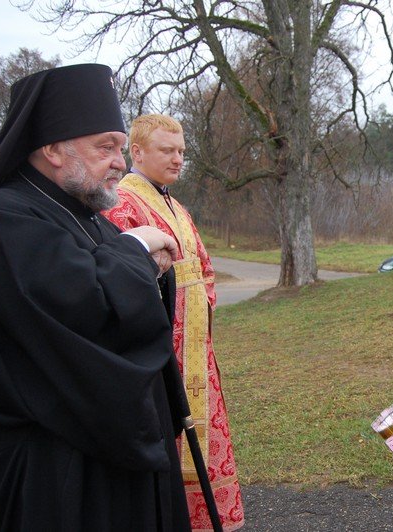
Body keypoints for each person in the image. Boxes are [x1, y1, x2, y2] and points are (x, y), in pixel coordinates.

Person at [0, 64, 191, 530]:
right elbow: (84, 308)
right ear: (52, 148)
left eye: (120, 147)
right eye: (105, 147)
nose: (121, 162)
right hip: (47, 467)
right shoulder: (0, 217)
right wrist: (136, 251)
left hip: (99, 453)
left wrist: (144, 266)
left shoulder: (85, 212)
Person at [104, 114, 244, 531]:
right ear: (139, 151)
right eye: (167, 150)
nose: (178, 159)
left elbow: (204, 270)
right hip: (163, 353)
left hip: (196, 353)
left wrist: (200, 319)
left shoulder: (174, 204)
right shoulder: (123, 203)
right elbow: (123, 283)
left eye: (182, 151)